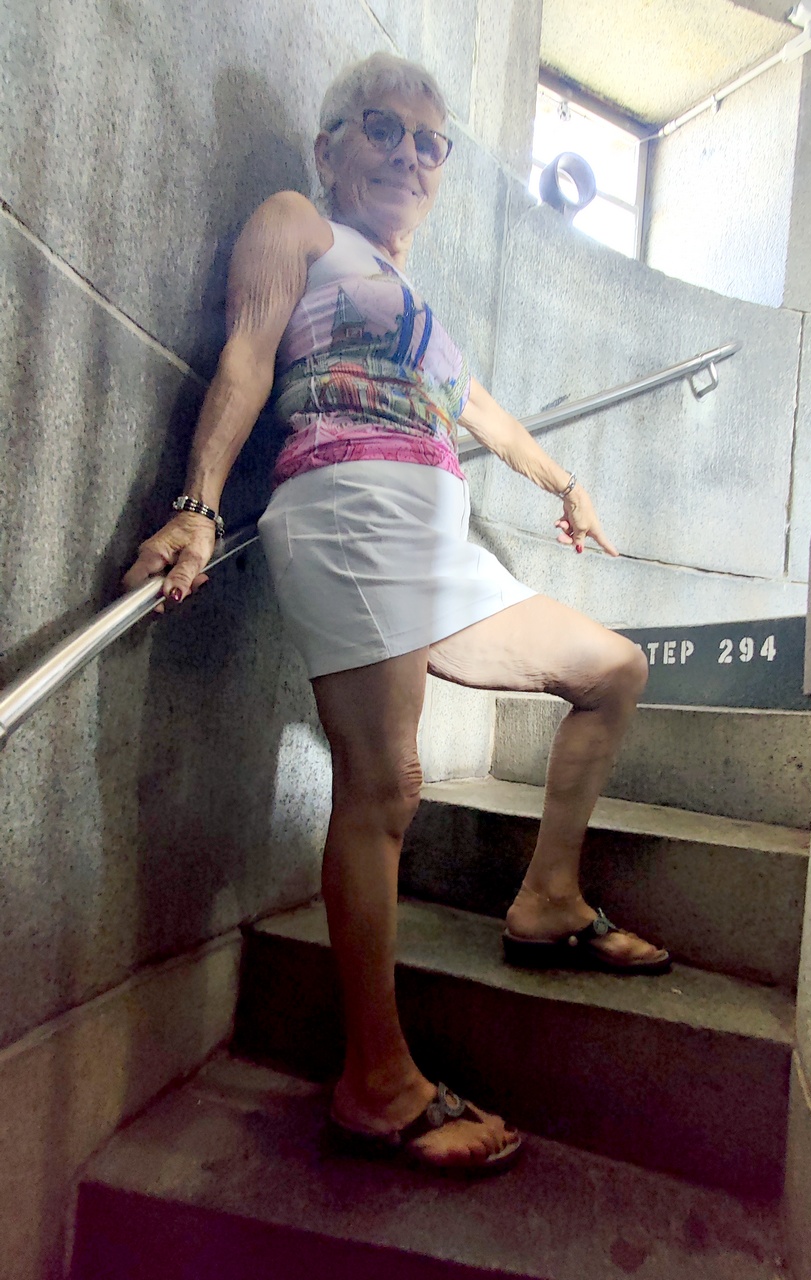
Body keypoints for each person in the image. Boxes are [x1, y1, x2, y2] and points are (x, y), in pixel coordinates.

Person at [123, 52, 669, 1175]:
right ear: (332, 148)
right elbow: (246, 355)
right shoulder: (299, 225)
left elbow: (487, 416)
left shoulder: (418, 306)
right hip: (347, 506)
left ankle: (548, 898)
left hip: (436, 541)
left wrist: (566, 483)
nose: (409, 155)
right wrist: (198, 505)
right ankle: (374, 1082)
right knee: (387, 785)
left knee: (611, 669)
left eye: (429, 142)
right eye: (383, 129)